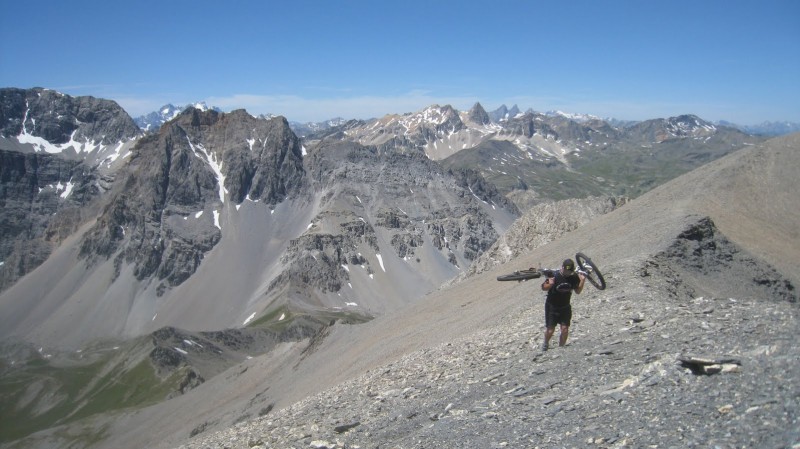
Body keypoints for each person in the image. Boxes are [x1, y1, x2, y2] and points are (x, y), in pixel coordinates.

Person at [540, 258, 585, 351]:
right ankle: (545, 343)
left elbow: (578, 291)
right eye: (566, 270)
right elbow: (543, 288)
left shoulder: (574, 277)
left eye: (569, 271)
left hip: (565, 306)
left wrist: (582, 281)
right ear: (562, 267)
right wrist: (550, 284)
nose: (567, 272)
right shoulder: (555, 275)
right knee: (550, 329)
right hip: (552, 306)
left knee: (564, 329)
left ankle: (561, 348)